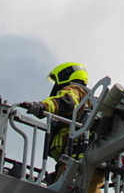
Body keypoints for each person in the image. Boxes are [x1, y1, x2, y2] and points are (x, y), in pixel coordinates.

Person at [19, 62, 105, 193]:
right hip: (91, 163)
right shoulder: (93, 101)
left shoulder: (75, 90)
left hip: (74, 163)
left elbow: (67, 102)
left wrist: (42, 106)